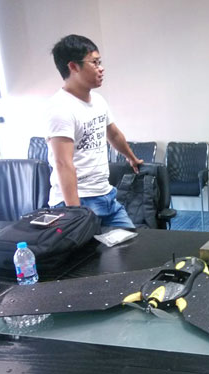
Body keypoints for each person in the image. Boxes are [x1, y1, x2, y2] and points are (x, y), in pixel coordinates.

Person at [46, 34, 142, 228]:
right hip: (78, 200)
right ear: (73, 67)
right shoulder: (60, 109)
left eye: (100, 62)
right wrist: (75, 214)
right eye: (95, 62)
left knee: (130, 241)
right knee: (91, 249)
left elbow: (113, 134)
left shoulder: (98, 101)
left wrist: (131, 158)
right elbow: (63, 163)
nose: (101, 68)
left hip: (105, 195)